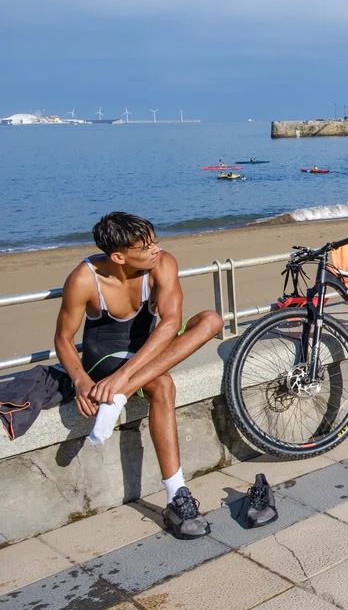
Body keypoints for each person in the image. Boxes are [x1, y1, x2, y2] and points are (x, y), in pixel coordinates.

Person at [54, 213, 223, 539]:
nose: (155, 249)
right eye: (145, 247)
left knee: (212, 320)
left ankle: (118, 397)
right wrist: (82, 381)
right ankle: (177, 497)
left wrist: (123, 382)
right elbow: (63, 337)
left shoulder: (163, 263)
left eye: (154, 241)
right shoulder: (84, 279)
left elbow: (171, 322)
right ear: (118, 257)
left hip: (144, 354)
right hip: (105, 358)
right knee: (163, 384)